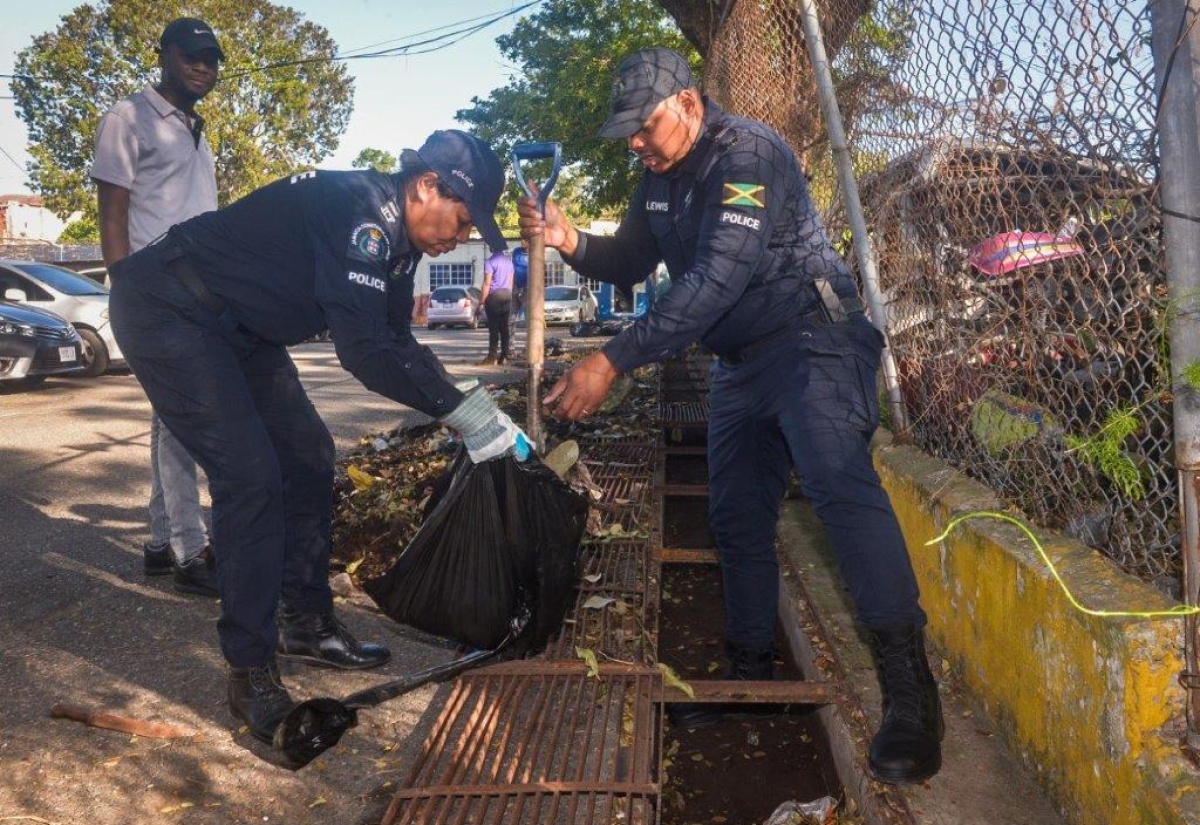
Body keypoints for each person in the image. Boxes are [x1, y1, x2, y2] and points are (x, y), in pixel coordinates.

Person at [517, 47, 943, 785]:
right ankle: (750, 670)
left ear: (687, 102)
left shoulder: (748, 154)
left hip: (814, 338)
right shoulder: (655, 179)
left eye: (645, 126)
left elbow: (716, 278)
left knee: (839, 489)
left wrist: (611, 359)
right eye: (628, 134)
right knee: (736, 517)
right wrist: (567, 239)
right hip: (741, 363)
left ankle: (912, 696)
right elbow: (624, 258)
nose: (636, 144)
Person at [108, 129, 529, 744]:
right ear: (426, 186)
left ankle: (305, 622)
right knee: (251, 479)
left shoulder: (399, 244)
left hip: (242, 329)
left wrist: (472, 406)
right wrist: (461, 415)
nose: (459, 238)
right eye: (462, 220)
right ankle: (250, 671)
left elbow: (395, 341)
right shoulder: (359, 210)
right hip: (168, 307)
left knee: (308, 457)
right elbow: (363, 352)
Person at [90, 17, 225, 598]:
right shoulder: (128, 119)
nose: (203, 67)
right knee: (183, 421)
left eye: (212, 59)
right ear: (165, 55)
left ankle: (157, 541)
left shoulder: (198, 131)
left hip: (201, 294)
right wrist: (126, 287)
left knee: (169, 418)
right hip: (155, 292)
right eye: (192, 56)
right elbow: (112, 214)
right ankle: (190, 553)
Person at [477, 248, 514, 364]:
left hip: (494, 296)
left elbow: (487, 283)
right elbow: (511, 282)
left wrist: (481, 302)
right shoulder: (509, 262)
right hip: (507, 294)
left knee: (494, 329)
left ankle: (492, 357)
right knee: (505, 328)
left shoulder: (490, 262)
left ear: (492, 247)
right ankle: (504, 356)